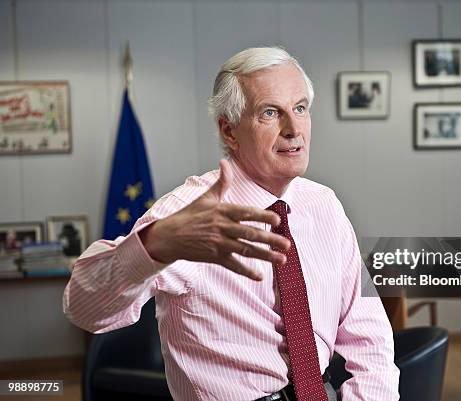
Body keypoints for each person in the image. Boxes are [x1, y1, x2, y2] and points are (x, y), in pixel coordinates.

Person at [63, 47, 399, 401]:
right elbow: (82, 307)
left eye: (300, 108)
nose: (293, 129)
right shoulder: (188, 215)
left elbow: (369, 335)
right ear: (230, 131)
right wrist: (154, 245)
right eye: (270, 113)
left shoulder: (324, 205)